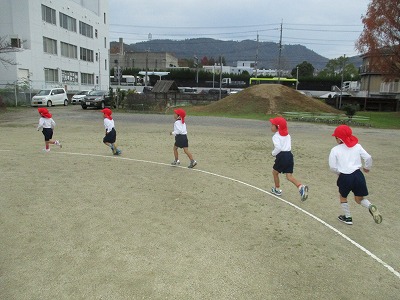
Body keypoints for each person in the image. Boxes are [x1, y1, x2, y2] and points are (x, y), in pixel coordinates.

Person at [329, 124, 382, 225]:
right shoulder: (357, 146)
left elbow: (332, 167)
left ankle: (348, 217)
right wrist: (367, 168)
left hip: (345, 176)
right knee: (359, 199)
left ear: (339, 138)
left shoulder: (335, 150)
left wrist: (339, 173)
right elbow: (368, 157)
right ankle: (370, 206)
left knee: (343, 197)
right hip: (358, 175)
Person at [269, 117, 308, 201]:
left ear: (277, 127)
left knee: (275, 172)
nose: (271, 126)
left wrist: (273, 153)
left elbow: (278, 148)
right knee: (289, 176)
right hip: (289, 155)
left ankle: (277, 189)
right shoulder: (287, 135)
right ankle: (300, 186)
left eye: (272, 125)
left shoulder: (275, 136)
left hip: (282, 156)